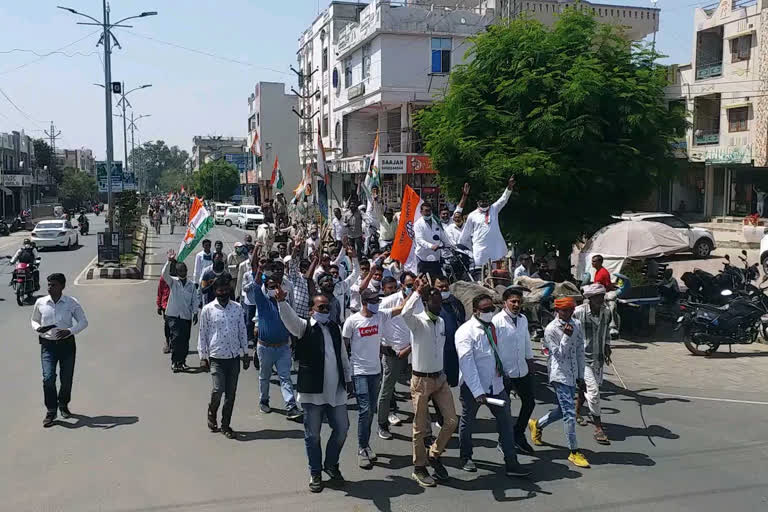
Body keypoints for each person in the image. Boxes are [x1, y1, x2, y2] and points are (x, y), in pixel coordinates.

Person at [277, 289, 353, 493]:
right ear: (311, 310)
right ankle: (315, 472)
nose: (325, 310)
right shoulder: (304, 328)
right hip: (312, 393)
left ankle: (331, 464)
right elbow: (290, 320)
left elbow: (343, 356)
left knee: (342, 430)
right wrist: (282, 301)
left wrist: (348, 378)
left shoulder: (335, 327)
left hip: (336, 391)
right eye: (321, 307)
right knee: (313, 435)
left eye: (327, 307)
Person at [455, 294, 531, 477]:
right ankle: (466, 456)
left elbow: (499, 352)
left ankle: (511, 463)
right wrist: (477, 391)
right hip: (474, 388)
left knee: (505, 422)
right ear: (475, 311)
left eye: (492, 309)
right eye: (486, 310)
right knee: (468, 422)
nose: (490, 312)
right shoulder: (465, 332)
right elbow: (467, 363)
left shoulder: (493, 328)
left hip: (496, 385)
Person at [400, 278, 459, 487]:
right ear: (426, 303)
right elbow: (404, 313)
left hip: (439, 378)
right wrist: (416, 291)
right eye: (434, 302)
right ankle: (420, 467)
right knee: (420, 428)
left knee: (451, 421)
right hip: (421, 381)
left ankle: (434, 454)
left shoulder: (441, 322)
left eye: (440, 303)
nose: (438, 306)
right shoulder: (417, 321)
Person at [342, 288, 404, 469]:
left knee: (370, 411)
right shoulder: (352, 321)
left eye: (378, 301)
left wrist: (415, 291)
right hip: (359, 372)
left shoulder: (380, 316)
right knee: (365, 409)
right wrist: (345, 375)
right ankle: (362, 448)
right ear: (364, 302)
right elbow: (343, 348)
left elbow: (401, 308)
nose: (377, 304)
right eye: (373, 301)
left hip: (375, 372)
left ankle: (366, 444)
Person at [529, 297, 590, 468]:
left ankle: (537, 424)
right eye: (565, 311)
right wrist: (566, 336)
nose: (569, 314)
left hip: (572, 374)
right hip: (559, 374)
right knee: (570, 413)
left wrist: (581, 375)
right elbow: (558, 354)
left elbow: (579, 350)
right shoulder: (551, 330)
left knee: (563, 409)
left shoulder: (576, 324)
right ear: (557, 311)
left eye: (571, 310)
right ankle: (574, 451)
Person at [244, 264, 302, 420]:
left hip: (283, 347)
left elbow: (293, 323)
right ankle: (264, 401)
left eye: (275, 286)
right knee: (265, 377)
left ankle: (291, 406)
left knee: (285, 378)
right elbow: (256, 285)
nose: (273, 289)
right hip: (265, 348)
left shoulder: (285, 305)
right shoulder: (262, 302)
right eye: (270, 286)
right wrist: (260, 270)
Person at [31, 273, 89, 427]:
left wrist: (70, 331)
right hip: (48, 346)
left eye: (54, 285)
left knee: (66, 378)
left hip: (67, 345)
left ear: (62, 286)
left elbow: (83, 321)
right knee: (48, 378)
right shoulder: (41, 302)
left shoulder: (71, 303)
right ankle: (51, 410)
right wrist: (38, 328)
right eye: (49, 284)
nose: (50, 288)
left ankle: (63, 404)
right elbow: (34, 320)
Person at [198, 273, 251, 439]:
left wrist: (245, 353)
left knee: (231, 394)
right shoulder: (208, 310)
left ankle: (225, 424)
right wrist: (203, 356)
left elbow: (243, 331)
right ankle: (212, 411)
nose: (223, 293)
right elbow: (203, 333)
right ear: (215, 291)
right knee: (218, 389)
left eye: (226, 289)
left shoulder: (237, 308)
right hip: (216, 357)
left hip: (234, 358)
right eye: (220, 290)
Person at [493, 286, 536, 455]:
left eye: (519, 301)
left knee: (530, 402)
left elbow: (526, 341)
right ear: (505, 303)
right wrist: (496, 369)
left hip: (521, 370)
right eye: (513, 301)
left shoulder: (523, 319)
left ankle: (518, 434)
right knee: (505, 409)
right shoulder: (497, 321)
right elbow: (493, 347)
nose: (517, 304)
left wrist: (530, 360)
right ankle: (503, 440)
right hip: (504, 372)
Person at [377, 272, 419, 440]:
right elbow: (377, 326)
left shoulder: (419, 301)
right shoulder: (387, 303)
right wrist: (384, 348)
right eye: (409, 285)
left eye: (414, 284)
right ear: (402, 286)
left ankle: (424, 428)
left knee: (421, 390)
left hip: (414, 353)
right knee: (387, 390)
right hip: (393, 354)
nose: (412, 288)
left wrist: (411, 348)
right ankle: (382, 424)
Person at [574, 284, 612, 445]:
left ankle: (576, 412)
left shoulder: (606, 312)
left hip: (598, 357)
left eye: (602, 296)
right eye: (597, 297)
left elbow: (607, 331)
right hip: (582, 358)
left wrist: (607, 346)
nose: (600, 300)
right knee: (594, 392)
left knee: (587, 387)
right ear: (589, 298)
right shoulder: (578, 312)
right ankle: (598, 427)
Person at [458, 176, 516, 271]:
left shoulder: (494, 209)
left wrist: (509, 187)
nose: (484, 203)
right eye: (482, 201)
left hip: (495, 249)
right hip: (480, 249)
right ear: (478, 202)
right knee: (480, 273)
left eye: (486, 201)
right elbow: (465, 234)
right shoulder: (472, 215)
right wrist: (459, 247)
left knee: (497, 273)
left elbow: (503, 199)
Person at [163, 250, 199, 373]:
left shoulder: (191, 285)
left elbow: (195, 300)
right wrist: (169, 261)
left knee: (184, 340)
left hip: (186, 317)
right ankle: (174, 362)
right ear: (177, 273)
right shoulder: (173, 282)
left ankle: (182, 361)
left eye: (185, 270)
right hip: (173, 316)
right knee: (176, 338)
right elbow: (164, 274)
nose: (183, 273)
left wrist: (195, 313)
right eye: (180, 271)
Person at [413, 202, 450, 277]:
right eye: (426, 211)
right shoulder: (418, 224)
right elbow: (419, 240)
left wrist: (450, 246)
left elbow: (443, 236)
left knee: (438, 279)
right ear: (421, 212)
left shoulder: (436, 222)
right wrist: (431, 246)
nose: (428, 213)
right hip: (422, 257)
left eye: (429, 210)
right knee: (423, 281)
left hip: (436, 257)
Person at [591, 254, 619, 338]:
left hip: (603, 295)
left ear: (600, 262)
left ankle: (612, 327)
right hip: (596, 294)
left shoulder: (604, 272)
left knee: (611, 307)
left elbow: (608, 286)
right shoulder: (597, 271)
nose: (592, 263)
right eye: (592, 261)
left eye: (594, 261)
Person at [156, 268, 171, 354]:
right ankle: (167, 342)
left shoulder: (179, 278)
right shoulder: (163, 278)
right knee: (167, 325)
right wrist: (159, 305)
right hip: (165, 305)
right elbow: (160, 291)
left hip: (176, 305)